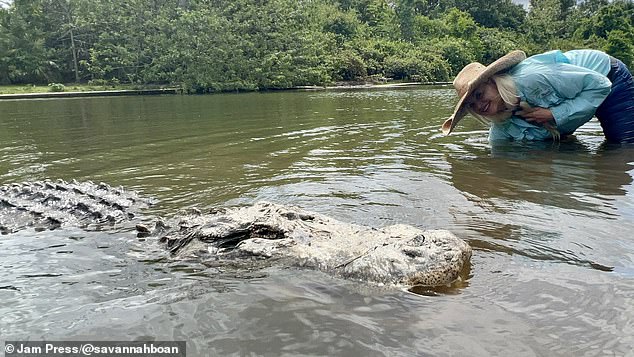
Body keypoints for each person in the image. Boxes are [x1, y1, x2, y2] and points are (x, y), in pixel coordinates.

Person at [441, 49, 634, 143]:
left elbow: (600, 85)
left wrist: (553, 114)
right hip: (578, 94)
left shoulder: (533, 78)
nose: (479, 104)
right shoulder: (501, 125)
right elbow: (499, 151)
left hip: (608, 77)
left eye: (479, 94)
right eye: (472, 104)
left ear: (493, 82)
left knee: (623, 148)